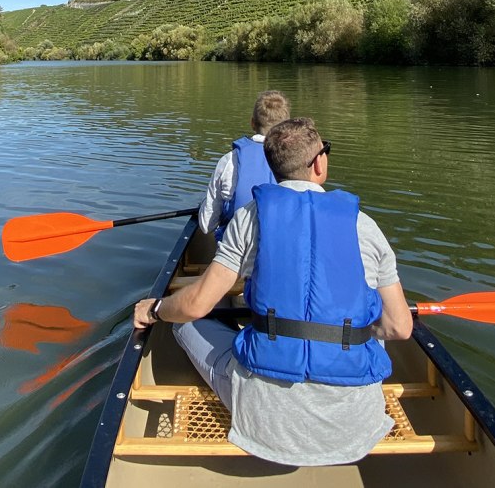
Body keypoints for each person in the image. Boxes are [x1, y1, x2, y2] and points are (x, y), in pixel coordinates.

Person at [134, 118, 413, 466]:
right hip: (356, 427)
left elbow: (195, 305)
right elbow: (400, 328)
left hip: (265, 423)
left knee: (183, 324)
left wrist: (155, 309)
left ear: (272, 167)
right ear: (319, 162)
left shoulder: (249, 219)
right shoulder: (366, 226)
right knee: (373, 331)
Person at [198, 90, 290, 240]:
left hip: (235, 256)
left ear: (252, 123)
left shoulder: (229, 161)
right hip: (281, 250)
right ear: (286, 126)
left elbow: (206, 224)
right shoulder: (297, 161)